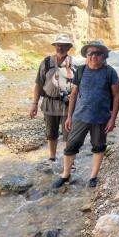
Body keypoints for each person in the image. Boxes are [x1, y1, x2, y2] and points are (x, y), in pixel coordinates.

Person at [53, 41, 119, 188]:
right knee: (70, 146)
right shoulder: (81, 71)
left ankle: (93, 177)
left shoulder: (110, 72)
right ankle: (65, 174)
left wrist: (113, 119)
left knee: (99, 147)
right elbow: (74, 94)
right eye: (90, 53)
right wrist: (69, 116)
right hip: (80, 116)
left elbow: (116, 96)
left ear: (104, 56)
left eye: (98, 53)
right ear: (86, 56)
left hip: (101, 118)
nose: (94, 56)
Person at [30, 33, 76, 166]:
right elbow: (38, 84)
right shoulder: (45, 62)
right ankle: (52, 157)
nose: (60, 47)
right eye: (58, 45)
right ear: (55, 46)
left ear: (69, 47)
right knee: (51, 133)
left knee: (69, 134)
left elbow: (79, 86)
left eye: (63, 45)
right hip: (49, 103)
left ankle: (69, 161)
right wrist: (34, 104)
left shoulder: (74, 63)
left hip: (68, 105)